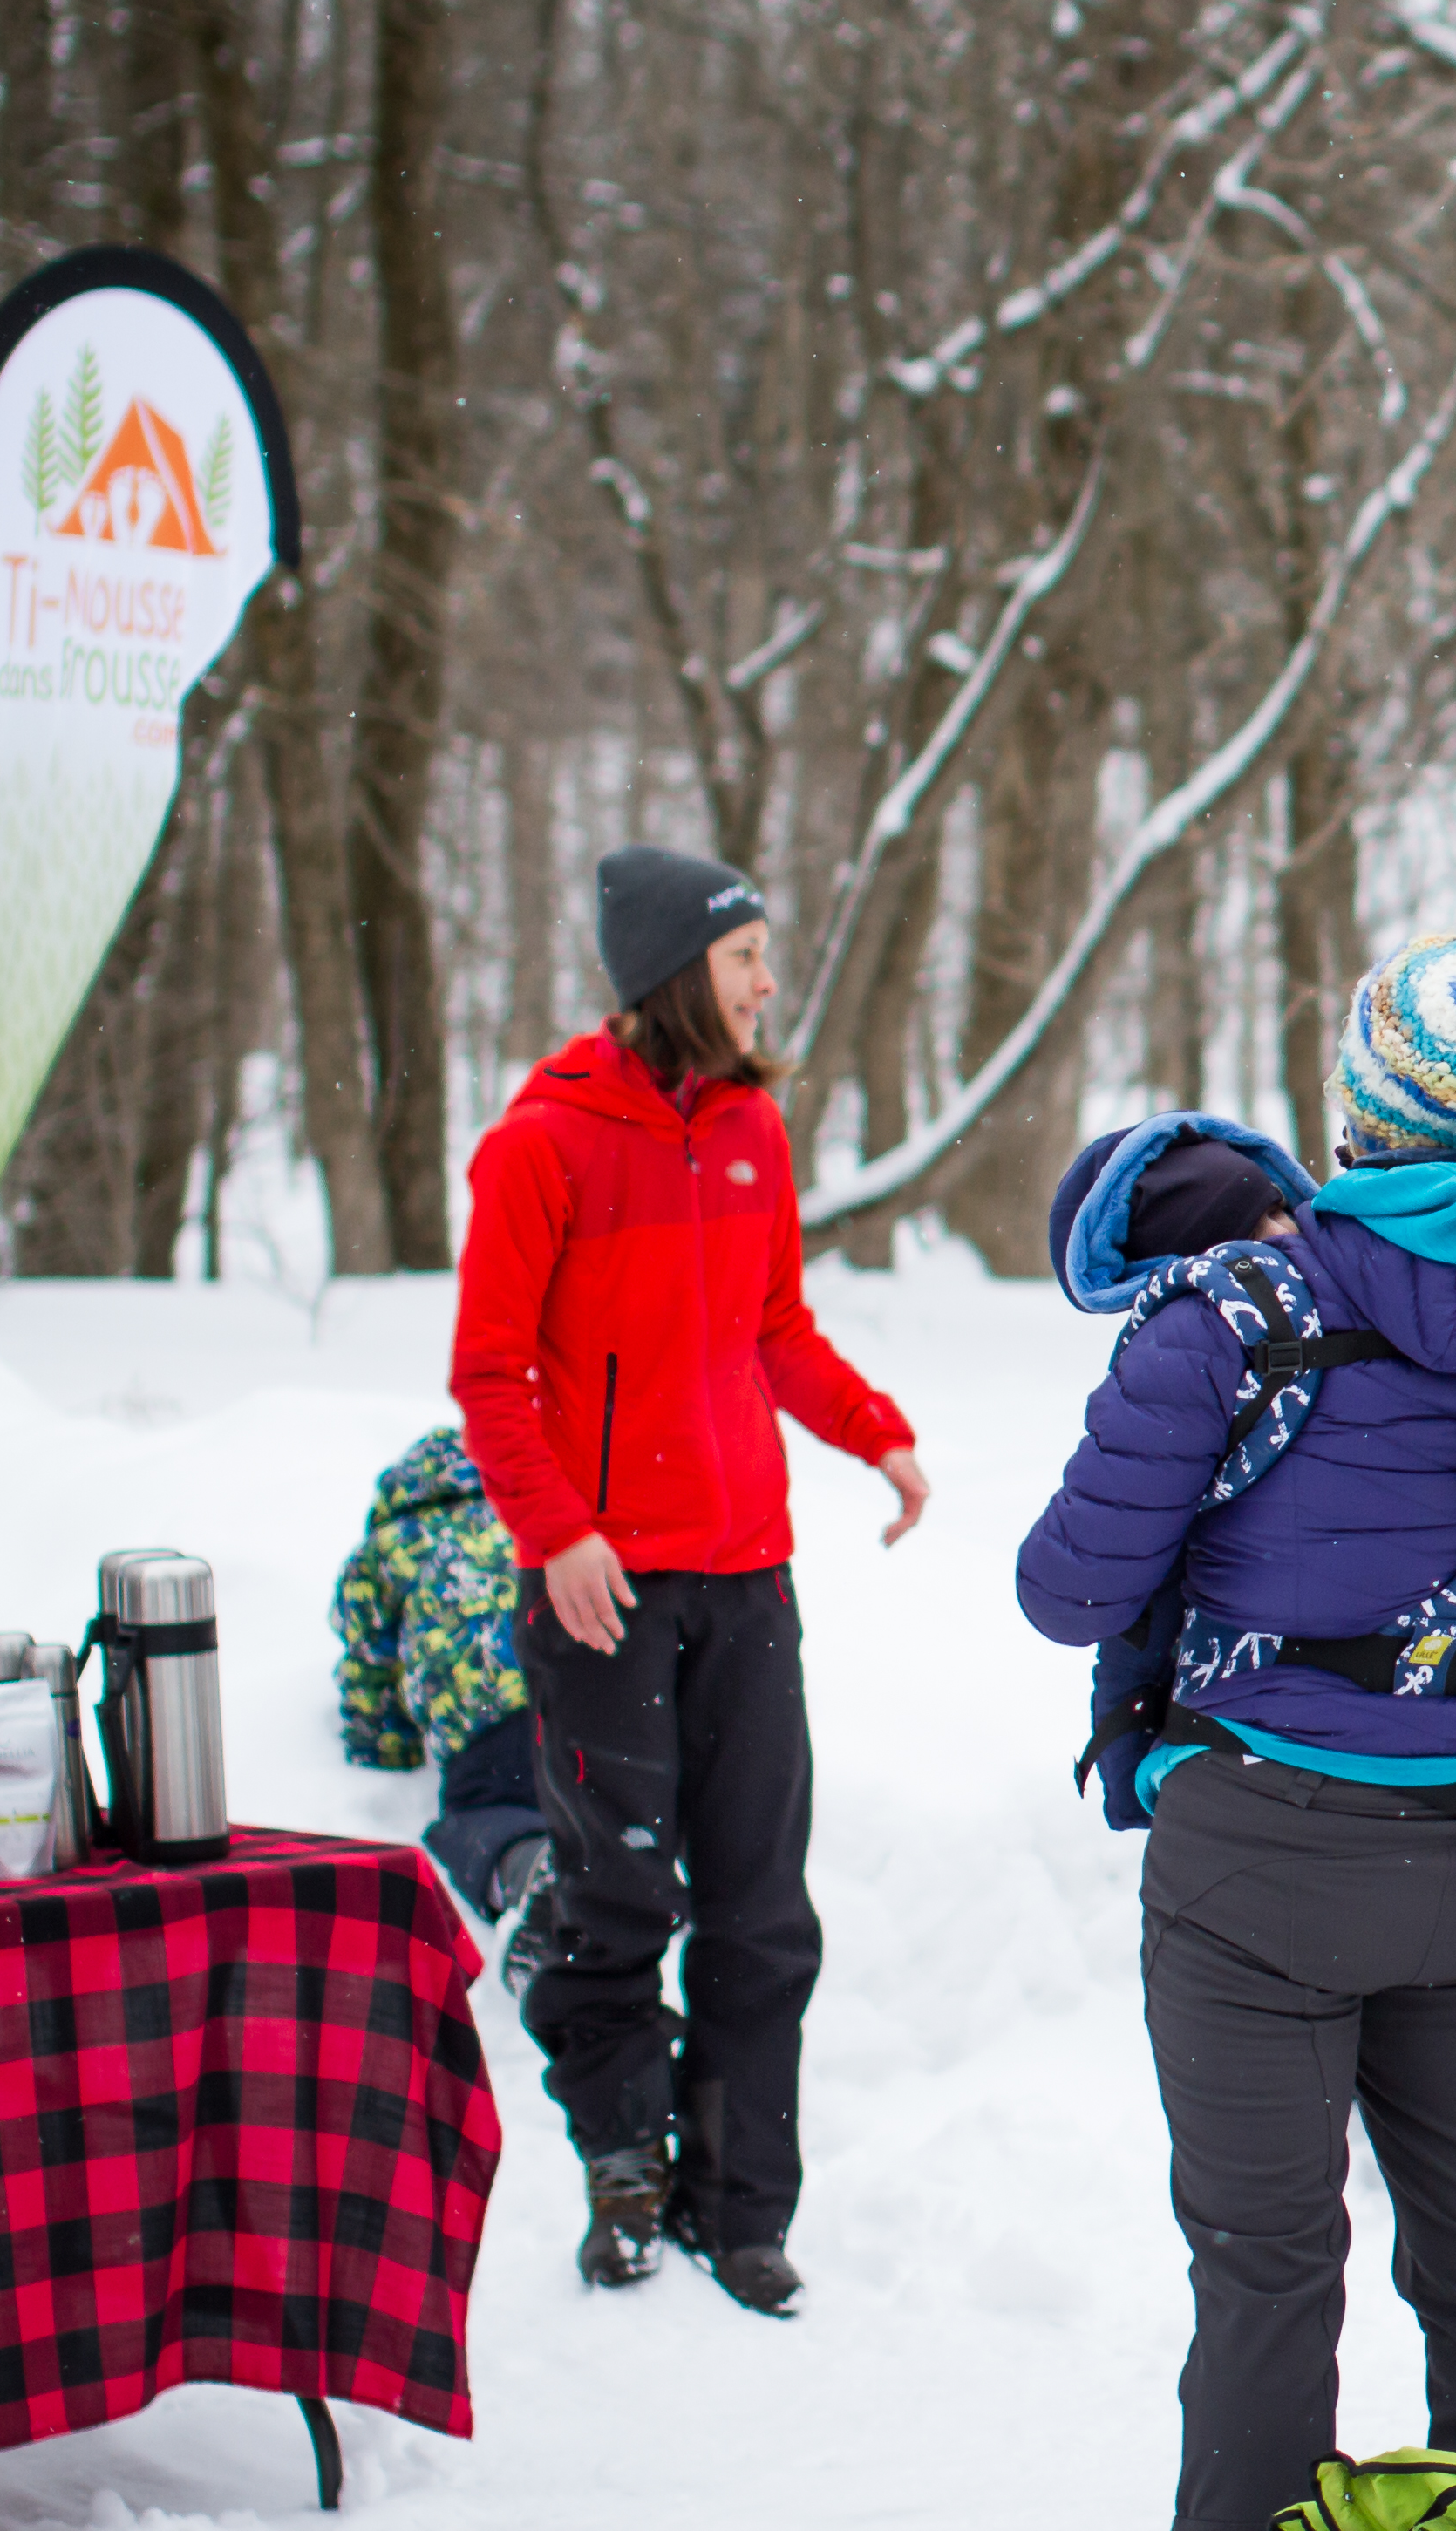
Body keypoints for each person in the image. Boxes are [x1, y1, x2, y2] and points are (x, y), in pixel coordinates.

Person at [1017, 936, 1456, 2531]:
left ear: (1361, 1101)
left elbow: (1068, 1589)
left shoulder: (1241, 1313)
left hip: (1265, 1857)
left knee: (1268, 2271)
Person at [449, 846, 930, 2314]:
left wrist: (876, 1435)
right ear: (674, 976)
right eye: (742, 961)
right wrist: (559, 1530)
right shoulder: (541, 1144)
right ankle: (620, 2155)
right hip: (602, 1590)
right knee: (613, 1893)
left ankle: (743, 2200)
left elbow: (775, 1327)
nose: (766, 983)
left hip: (745, 1580)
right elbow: (490, 1373)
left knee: (760, 1908)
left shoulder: (750, 1132)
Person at [333, 1427, 556, 1995]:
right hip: (595, 1705)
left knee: (485, 1811)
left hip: (492, 1723)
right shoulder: (545, 1515)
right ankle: (647, 1872)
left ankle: (531, 1872)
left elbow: (371, 1679)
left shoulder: (389, 1548)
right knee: (610, 1799)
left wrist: (388, 1744)